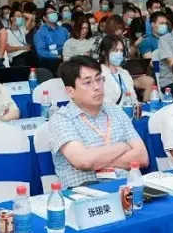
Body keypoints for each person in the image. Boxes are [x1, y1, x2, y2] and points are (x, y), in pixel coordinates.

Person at [49, 56, 148, 188]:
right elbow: (83, 161)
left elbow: (142, 157)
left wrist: (96, 160)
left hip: (125, 189)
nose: (97, 87)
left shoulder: (116, 111)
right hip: (86, 192)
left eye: (99, 79)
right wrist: (123, 146)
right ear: (70, 91)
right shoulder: (62, 119)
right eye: (87, 82)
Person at [99, 35, 138, 105]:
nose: (119, 54)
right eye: (115, 50)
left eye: (121, 50)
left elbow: (134, 98)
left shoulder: (124, 73)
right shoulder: (99, 74)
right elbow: (103, 102)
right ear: (104, 52)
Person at [33, 4, 69, 72]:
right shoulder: (40, 33)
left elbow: (69, 45)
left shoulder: (64, 30)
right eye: (50, 13)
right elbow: (41, 52)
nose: (53, 14)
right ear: (44, 17)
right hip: (49, 61)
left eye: (54, 12)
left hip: (64, 58)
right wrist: (56, 56)